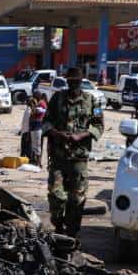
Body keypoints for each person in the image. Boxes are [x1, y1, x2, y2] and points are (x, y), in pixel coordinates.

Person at [43, 66, 103, 238]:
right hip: (58, 156)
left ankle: (72, 233)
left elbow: (98, 125)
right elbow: (46, 122)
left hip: (79, 158)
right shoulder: (57, 98)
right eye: (70, 81)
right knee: (57, 196)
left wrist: (81, 136)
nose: (73, 84)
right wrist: (57, 133)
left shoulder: (92, 101)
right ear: (67, 81)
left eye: (76, 81)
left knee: (76, 199)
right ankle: (58, 226)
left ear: (81, 81)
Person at [29, 91, 47, 166]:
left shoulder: (41, 104)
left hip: (38, 126)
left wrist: (34, 105)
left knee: (37, 145)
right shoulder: (39, 103)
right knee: (34, 144)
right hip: (34, 126)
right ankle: (35, 161)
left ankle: (38, 162)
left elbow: (36, 111)